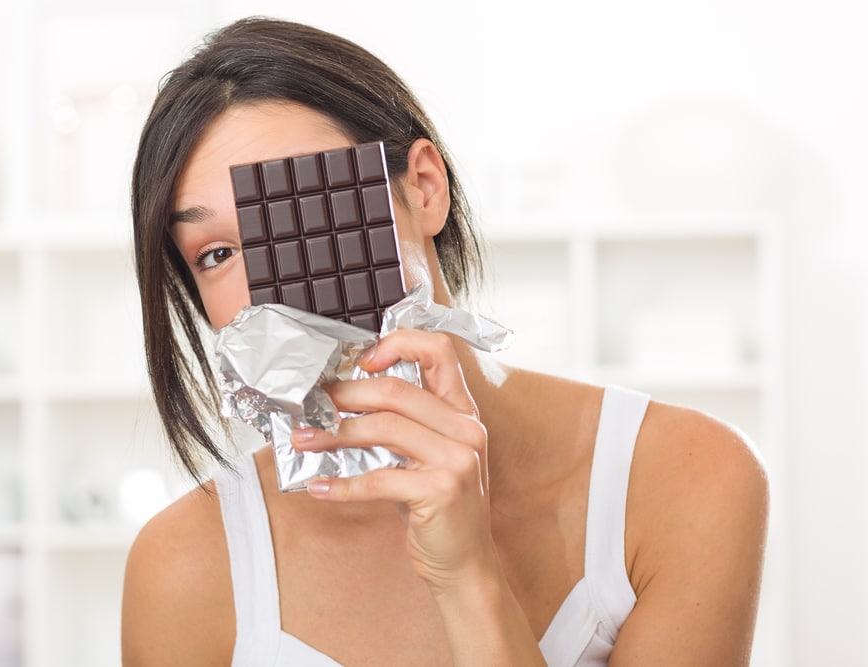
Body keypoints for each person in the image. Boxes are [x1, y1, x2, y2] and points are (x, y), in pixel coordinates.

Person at [121, 16, 769, 667]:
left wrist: (469, 578)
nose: (276, 285)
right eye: (219, 252)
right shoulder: (183, 563)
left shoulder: (683, 477)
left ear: (424, 188)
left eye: (306, 205)